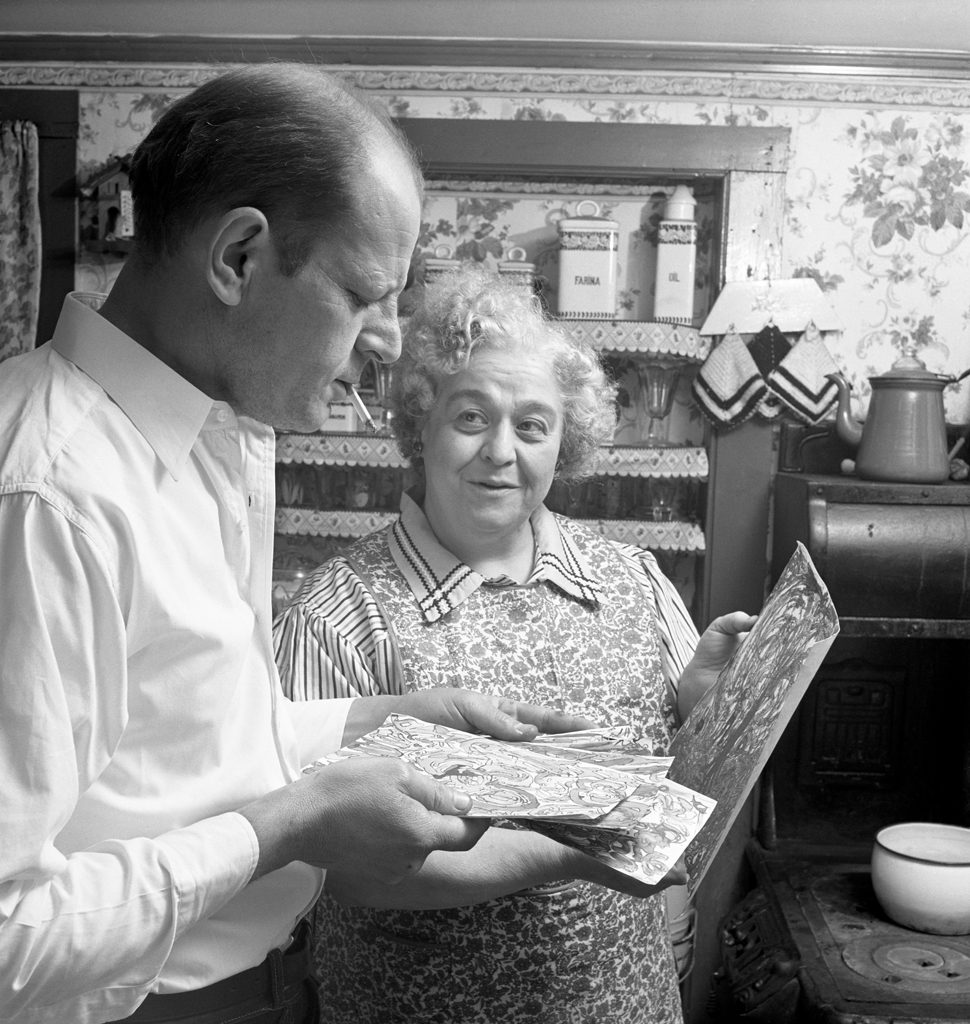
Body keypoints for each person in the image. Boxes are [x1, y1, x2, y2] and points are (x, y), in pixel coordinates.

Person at [0, 64, 600, 1024]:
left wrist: (379, 718)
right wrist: (292, 827)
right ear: (239, 257)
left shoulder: (224, 434)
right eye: (367, 295)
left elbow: (185, 743)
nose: (394, 343)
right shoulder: (49, 494)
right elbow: (8, 939)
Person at [274, 264, 756, 1024]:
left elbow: (680, 799)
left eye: (533, 426)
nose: (503, 451)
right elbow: (325, 859)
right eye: (472, 417)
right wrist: (586, 845)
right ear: (420, 424)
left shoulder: (633, 581)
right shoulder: (338, 612)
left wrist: (696, 707)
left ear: (563, 446)